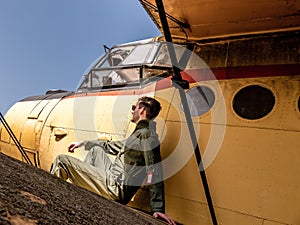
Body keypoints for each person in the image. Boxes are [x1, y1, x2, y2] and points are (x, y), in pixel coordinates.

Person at [50, 97, 176, 224]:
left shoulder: (147, 135)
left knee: (62, 161)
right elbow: (109, 146)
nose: (132, 111)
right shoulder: (136, 135)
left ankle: (50, 204)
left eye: (134, 108)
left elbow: (153, 170)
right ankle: (84, 197)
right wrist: (83, 143)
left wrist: (157, 208)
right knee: (96, 151)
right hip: (113, 178)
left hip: (116, 187)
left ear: (142, 109)